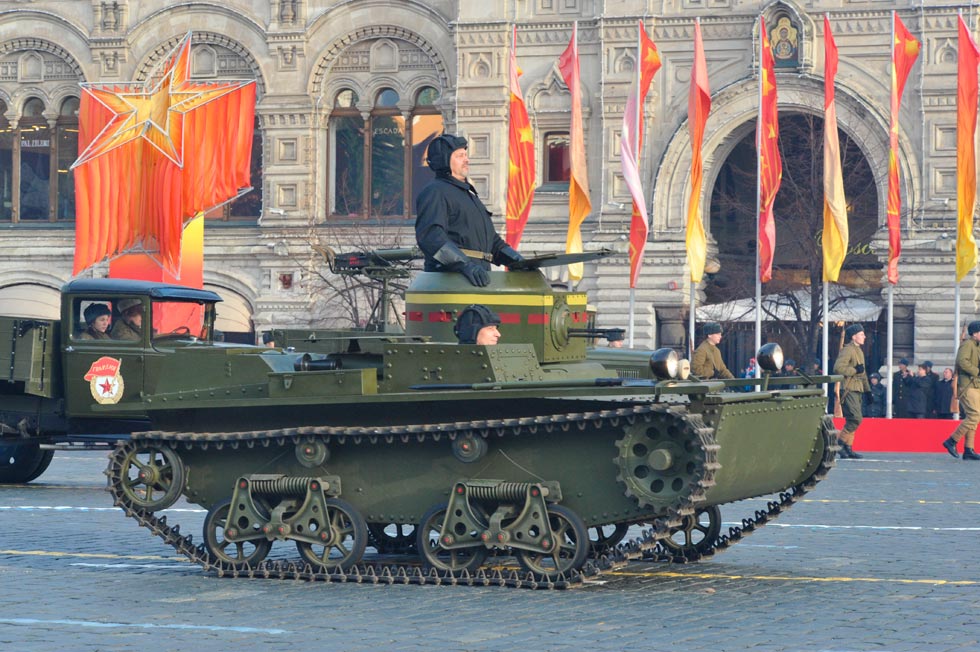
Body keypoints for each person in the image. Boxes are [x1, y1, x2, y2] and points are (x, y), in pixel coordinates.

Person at [415, 134, 523, 286]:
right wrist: (464, 265)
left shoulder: (469, 196)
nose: (467, 160)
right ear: (444, 160)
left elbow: (491, 241)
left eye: (465, 155)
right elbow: (431, 237)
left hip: (479, 279)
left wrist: (517, 260)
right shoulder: (435, 192)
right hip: (451, 282)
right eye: (460, 156)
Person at [942, 321, 980, 460]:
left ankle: (969, 449)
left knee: (974, 417)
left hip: (975, 385)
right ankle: (951, 441)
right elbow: (961, 361)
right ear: (975, 333)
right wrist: (977, 371)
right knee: (974, 415)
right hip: (967, 385)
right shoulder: (967, 344)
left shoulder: (976, 345)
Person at [833, 323, 870, 459]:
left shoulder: (859, 351)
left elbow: (863, 373)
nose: (864, 337)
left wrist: (868, 391)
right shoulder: (848, 350)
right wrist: (854, 370)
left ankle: (848, 448)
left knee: (852, 419)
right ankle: (840, 443)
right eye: (861, 334)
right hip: (848, 388)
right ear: (854, 337)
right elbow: (838, 368)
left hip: (858, 388)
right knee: (856, 418)